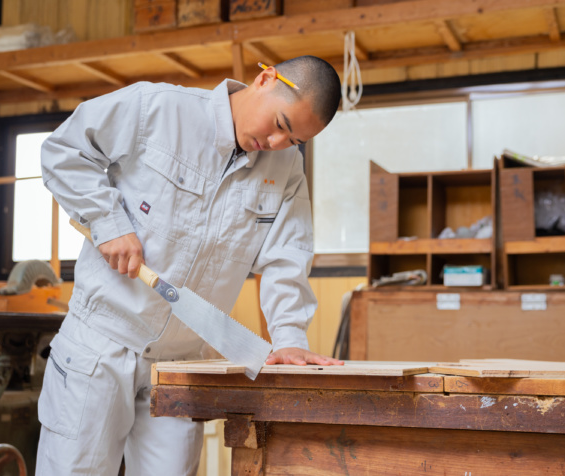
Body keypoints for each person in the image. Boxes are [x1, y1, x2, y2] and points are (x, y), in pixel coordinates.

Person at [36, 55, 344, 475]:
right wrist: (107, 222)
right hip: (101, 345)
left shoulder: (286, 169)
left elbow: (285, 258)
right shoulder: (157, 109)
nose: (276, 144)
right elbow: (64, 149)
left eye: (293, 141)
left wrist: (289, 336)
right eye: (280, 124)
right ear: (265, 78)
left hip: (180, 365)